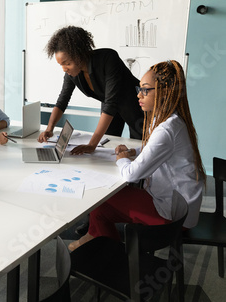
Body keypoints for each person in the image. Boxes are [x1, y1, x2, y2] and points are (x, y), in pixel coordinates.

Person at [68, 60, 206, 251]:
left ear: (165, 92)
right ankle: (103, 243)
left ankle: (105, 248)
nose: (139, 95)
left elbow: (131, 174)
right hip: (178, 206)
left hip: (173, 217)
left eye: (146, 90)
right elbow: (157, 149)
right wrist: (134, 152)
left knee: (101, 199)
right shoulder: (168, 119)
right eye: (139, 89)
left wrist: (122, 159)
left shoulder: (166, 129)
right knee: (101, 206)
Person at [38, 26, 144, 155]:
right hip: (109, 106)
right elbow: (62, 101)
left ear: (79, 55)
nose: (64, 69)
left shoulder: (108, 58)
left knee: (140, 147)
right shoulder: (72, 73)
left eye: (67, 63)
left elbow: (111, 103)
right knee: (108, 145)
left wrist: (91, 145)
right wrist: (49, 129)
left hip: (135, 104)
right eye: (61, 65)